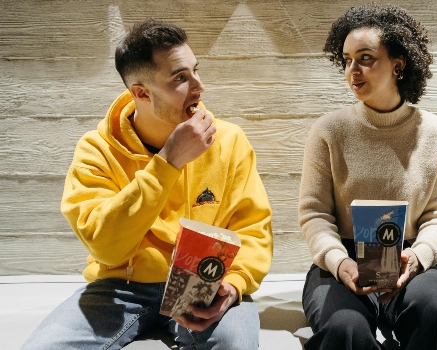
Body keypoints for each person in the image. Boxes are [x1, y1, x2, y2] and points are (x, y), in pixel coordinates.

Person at [21, 19, 273, 350]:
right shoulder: (96, 150)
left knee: (235, 346)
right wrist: (168, 162)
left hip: (207, 283)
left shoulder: (228, 141)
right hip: (119, 286)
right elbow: (104, 245)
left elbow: (253, 229)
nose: (199, 85)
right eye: (180, 78)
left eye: (196, 70)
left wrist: (233, 286)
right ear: (141, 92)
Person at [299, 4, 437, 350]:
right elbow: (314, 214)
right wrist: (339, 261)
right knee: (343, 327)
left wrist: (419, 256)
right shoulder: (328, 131)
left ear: (399, 64)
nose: (353, 70)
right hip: (341, 257)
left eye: (365, 58)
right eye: (347, 59)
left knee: (436, 310)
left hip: (408, 256)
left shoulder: (435, 132)